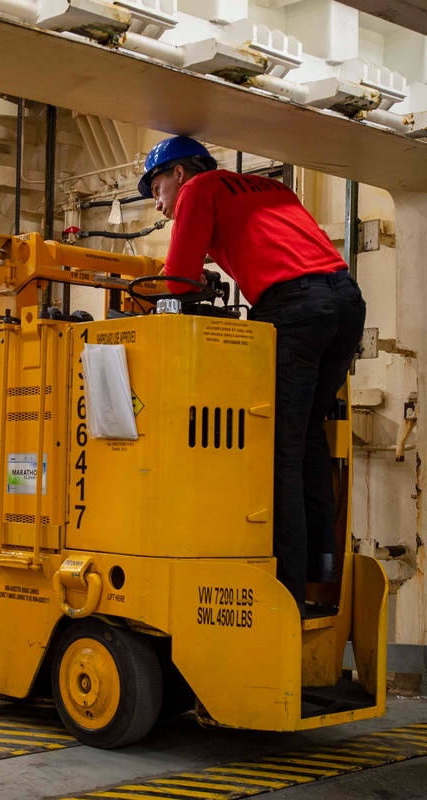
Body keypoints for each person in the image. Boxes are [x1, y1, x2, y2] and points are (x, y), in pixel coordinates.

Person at [138, 135, 366, 615]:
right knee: (306, 436)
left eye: (156, 189)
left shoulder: (200, 191)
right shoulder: (272, 190)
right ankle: (319, 571)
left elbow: (178, 282)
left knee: (276, 449)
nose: (159, 205)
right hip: (345, 303)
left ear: (180, 173)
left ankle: (283, 592)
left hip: (295, 308)